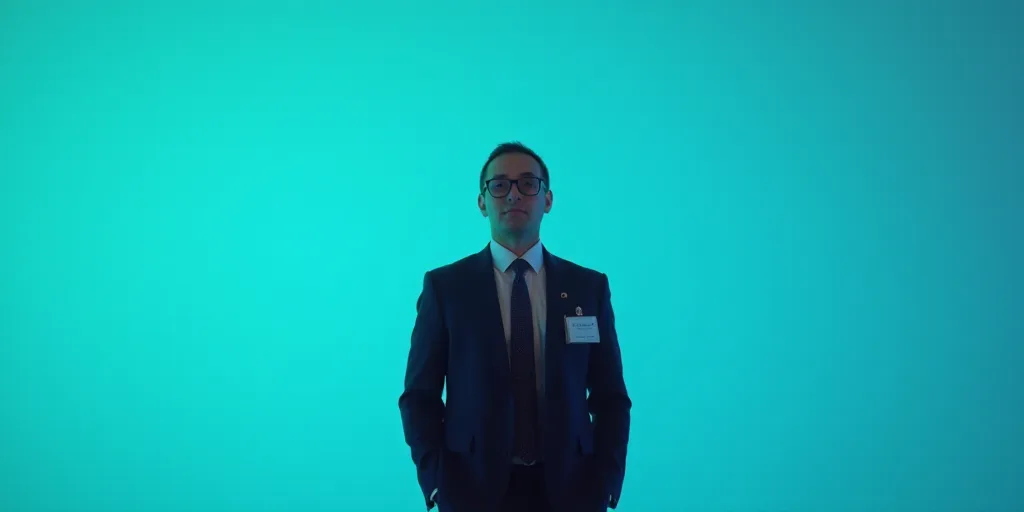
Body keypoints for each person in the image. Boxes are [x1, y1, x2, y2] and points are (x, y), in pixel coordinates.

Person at [399, 142, 631, 512]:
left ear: (548, 199)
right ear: (482, 202)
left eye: (528, 183)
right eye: (499, 185)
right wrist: (438, 484)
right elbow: (419, 398)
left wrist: (606, 484)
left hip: (573, 491)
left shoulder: (589, 287)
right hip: (472, 490)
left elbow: (611, 399)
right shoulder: (446, 288)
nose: (513, 195)